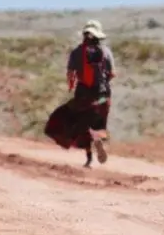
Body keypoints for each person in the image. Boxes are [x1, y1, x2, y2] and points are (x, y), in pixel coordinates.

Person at [44, 20, 117, 168]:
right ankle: (98, 140)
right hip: (103, 95)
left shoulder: (77, 52)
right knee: (99, 123)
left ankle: (89, 158)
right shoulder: (106, 52)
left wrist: (71, 86)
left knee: (78, 123)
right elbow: (112, 74)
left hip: (84, 94)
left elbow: (71, 74)